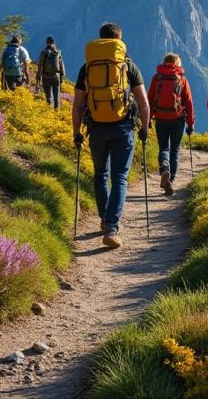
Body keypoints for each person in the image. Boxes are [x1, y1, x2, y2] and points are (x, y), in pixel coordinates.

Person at [72, 23, 150, 249]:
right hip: (123, 128)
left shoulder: (86, 67)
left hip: (96, 128)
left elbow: (77, 105)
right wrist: (144, 128)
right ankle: (113, 227)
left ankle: (104, 220)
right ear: (119, 40)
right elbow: (143, 103)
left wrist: (76, 132)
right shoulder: (128, 66)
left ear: (100, 39)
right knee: (120, 177)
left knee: (100, 174)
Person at [147, 53, 195, 196]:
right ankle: (171, 180)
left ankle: (164, 168)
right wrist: (191, 123)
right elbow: (189, 102)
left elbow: (149, 100)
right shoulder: (182, 79)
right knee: (174, 150)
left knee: (163, 148)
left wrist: (148, 119)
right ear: (177, 63)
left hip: (160, 117)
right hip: (177, 119)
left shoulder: (157, 78)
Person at [36, 36, 66, 110]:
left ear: (46, 42)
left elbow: (40, 65)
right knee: (56, 95)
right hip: (56, 76)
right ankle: (56, 110)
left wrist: (38, 76)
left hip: (46, 76)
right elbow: (61, 64)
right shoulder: (58, 51)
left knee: (48, 95)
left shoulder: (44, 52)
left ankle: (49, 110)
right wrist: (62, 75)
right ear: (54, 42)